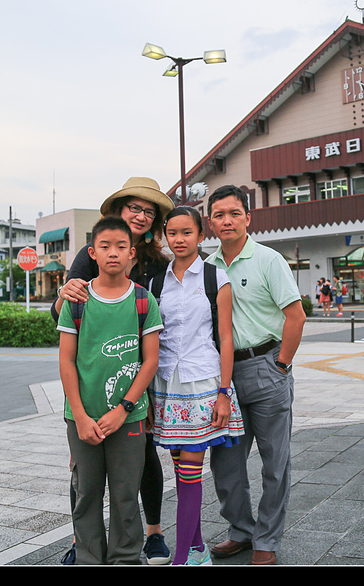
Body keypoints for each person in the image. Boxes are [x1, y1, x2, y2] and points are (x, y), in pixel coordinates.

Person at [52, 177, 175, 565]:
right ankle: (83, 545)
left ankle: (147, 538)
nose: (140, 215)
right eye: (133, 208)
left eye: (148, 211)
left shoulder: (157, 264)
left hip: (138, 382)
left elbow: (152, 348)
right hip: (89, 392)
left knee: (140, 463)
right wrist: (63, 296)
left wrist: (131, 402)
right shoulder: (93, 258)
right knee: (86, 480)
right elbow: (65, 314)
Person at [205, 185, 305, 566]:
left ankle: (267, 539)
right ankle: (241, 531)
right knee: (226, 463)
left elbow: (296, 316)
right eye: (218, 214)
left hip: (266, 367)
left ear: (248, 217)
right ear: (210, 222)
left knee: (274, 462)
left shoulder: (268, 260)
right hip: (224, 376)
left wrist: (280, 364)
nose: (226, 220)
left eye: (234, 213)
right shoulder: (208, 267)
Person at [148, 206, 245, 566]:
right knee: (180, 469)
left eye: (186, 232)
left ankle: (179, 560)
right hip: (166, 386)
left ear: (201, 236)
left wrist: (224, 392)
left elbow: (225, 338)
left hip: (203, 385)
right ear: (165, 237)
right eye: (172, 233)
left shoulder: (215, 278)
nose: (179, 239)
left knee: (189, 472)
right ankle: (198, 549)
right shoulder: (157, 283)